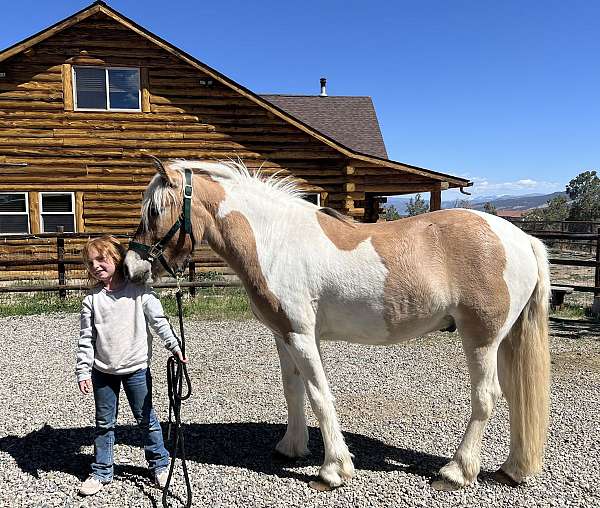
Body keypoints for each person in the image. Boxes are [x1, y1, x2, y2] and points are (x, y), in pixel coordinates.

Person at [76, 235, 187, 496]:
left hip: (136, 369)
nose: (96, 266)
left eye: (101, 259)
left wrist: (174, 345)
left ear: (116, 258)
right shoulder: (91, 300)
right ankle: (102, 470)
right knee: (104, 424)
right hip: (103, 372)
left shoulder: (140, 292)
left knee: (147, 419)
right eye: (90, 263)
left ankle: (160, 465)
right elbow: (86, 339)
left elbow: (159, 322)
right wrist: (83, 370)